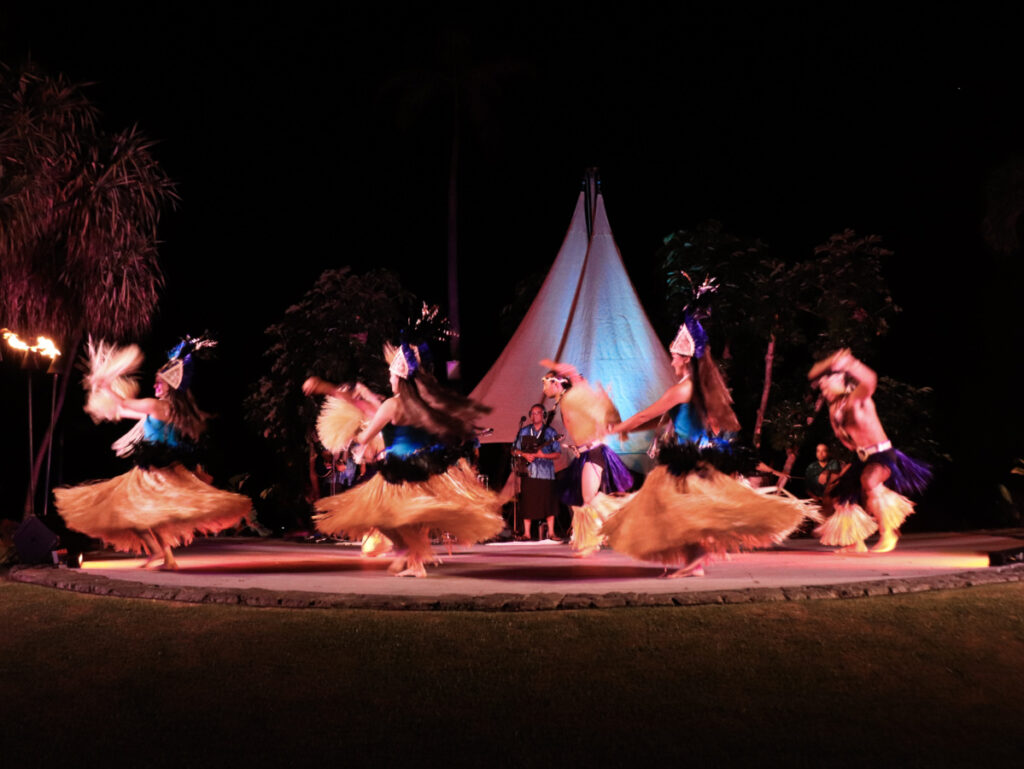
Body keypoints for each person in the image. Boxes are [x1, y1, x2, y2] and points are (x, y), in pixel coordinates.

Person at [602, 315, 815, 577]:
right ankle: (695, 564)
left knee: (683, 513)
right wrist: (626, 428)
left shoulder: (683, 389)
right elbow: (660, 420)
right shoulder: (696, 388)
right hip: (695, 459)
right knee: (686, 515)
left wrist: (617, 428)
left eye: (674, 356)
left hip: (689, 462)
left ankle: (695, 563)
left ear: (686, 359)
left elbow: (646, 415)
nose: (671, 361)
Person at [306, 343, 504, 577]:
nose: (389, 378)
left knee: (380, 514)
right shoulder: (422, 404)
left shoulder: (392, 405)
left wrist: (356, 438)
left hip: (399, 469)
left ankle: (409, 555)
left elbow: (366, 435)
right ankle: (414, 560)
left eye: (391, 374)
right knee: (412, 517)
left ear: (399, 377)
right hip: (425, 466)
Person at [53, 337, 251, 569]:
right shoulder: (170, 410)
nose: (155, 386)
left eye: (159, 383)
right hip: (170, 470)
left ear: (170, 386)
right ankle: (167, 558)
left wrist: (106, 385)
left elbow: (126, 405)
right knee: (153, 517)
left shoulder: (155, 406)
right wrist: (107, 406)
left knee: (132, 514)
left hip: (155, 473)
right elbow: (127, 411)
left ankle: (157, 552)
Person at [809, 349, 931, 553]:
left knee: (869, 480)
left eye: (828, 381)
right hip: (863, 457)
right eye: (822, 384)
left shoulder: (857, 398)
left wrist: (850, 363)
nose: (823, 385)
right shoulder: (833, 409)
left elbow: (870, 380)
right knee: (840, 497)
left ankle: (888, 532)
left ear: (843, 381)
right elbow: (813, 372)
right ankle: (854, 543)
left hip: (883, 455)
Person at [539, 360, 633, 557]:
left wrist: (572, 373)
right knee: (583, 501)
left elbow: (586, 394)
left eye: (545, 382)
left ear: (556, 383)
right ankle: (591, 541)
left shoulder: (573, 396)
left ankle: (623, 519)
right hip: (584, 453)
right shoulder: (566, 400)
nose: (543, 387)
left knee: (589, 499)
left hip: (594, 452)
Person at [512, 403, 562, 541]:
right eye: (533, 413)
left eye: (538, 413)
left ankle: (551, 532)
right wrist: (524, 455)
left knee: (549, 502)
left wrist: (544, 456)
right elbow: (514, 449)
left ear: (544, 415)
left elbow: (558, 453)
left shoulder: (551, 432)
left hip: (546, 473)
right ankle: (527, 533)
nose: (535, 415)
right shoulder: (524, 431)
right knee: (528, 502)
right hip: (529, 472)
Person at [804, 443, 843, 512]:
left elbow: (837, 472)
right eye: (818, 451)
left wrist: (827, 472)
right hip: (816, 501)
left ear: (828, 453)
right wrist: (815, 497)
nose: (820, 453)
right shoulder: (811, 467)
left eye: (823, 451)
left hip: (831, 501)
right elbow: (807, 488)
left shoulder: (833, 463)